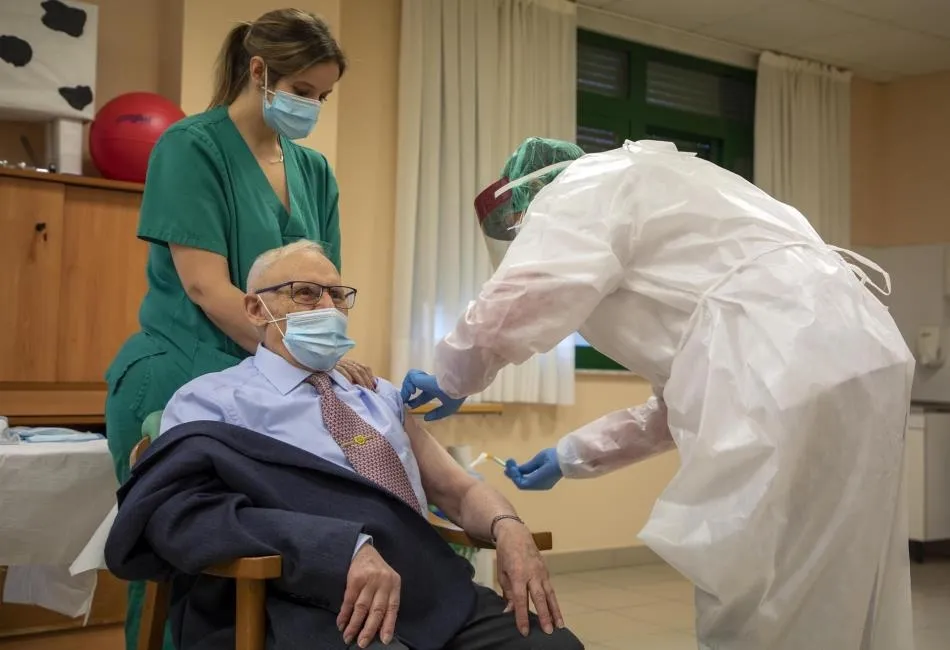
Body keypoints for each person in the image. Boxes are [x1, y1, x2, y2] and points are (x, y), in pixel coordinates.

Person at [401, 137, 915, 649]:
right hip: (865, 353)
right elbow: (680, 401)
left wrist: (453, 376)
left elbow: (526, 291)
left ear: (533, 192)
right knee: (848, 563)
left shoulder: (583, 185)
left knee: (755, 577)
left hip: (780, 367)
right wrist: (570, 455)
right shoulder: (674, 192)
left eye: (520, 226)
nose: (524, 238)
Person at [105, 240, 584, 650]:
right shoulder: (212, 401)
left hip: (427, 587)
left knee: (553, 644)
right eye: (307, 294)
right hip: (295, 597)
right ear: (256, 309)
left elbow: (457, 490)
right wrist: (339, 549)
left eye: (338, 296)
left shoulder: (378, 395)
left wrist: (509, 527)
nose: (328, 309)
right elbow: (188, 516)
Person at [104, 10, 374, 650]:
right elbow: (205, 287)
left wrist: (330, 356)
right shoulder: (189, 148)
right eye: (304, 92)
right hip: (182, 368)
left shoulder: (315, 173)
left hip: (274, 378)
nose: (313, 107)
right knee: (182, 561)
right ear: (260, 72)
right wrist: (313, 362)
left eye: (323, 96)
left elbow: (323, 290)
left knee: (274, 561)